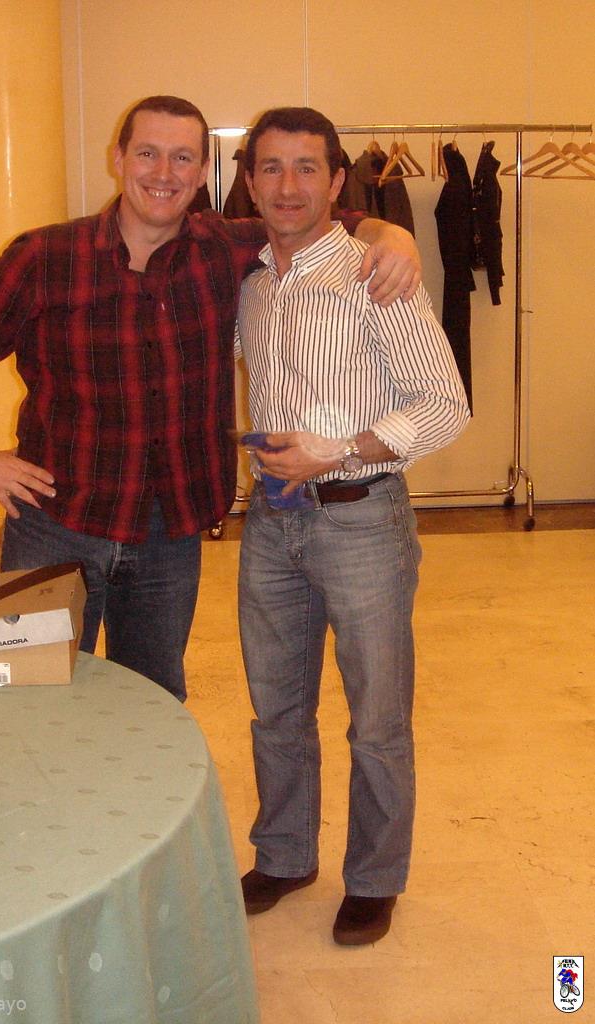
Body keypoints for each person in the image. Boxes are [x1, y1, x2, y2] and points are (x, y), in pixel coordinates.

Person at [0, 95, 421, 704]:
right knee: (23, 694)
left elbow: (322, 219)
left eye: (182, 158)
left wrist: (392, 234)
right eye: (148, 154)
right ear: (118, 158)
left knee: (152, 704)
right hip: (54, 521)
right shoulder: (46, 256)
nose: (164, 173)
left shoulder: (225, 249)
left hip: (168, 535)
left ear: (203, 171)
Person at [235, 107, 470, 944]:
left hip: (361, 519)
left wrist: (336, 450)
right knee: (275, 709)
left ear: (337, 181)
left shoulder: (375, 273)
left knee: (376, 718)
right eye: (270, 167)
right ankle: (285, 855)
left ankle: (373, 878)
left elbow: (445, 406)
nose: (288, 185)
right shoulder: (251, 285)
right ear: (248, 181)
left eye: (307, 167)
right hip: (270, 524)